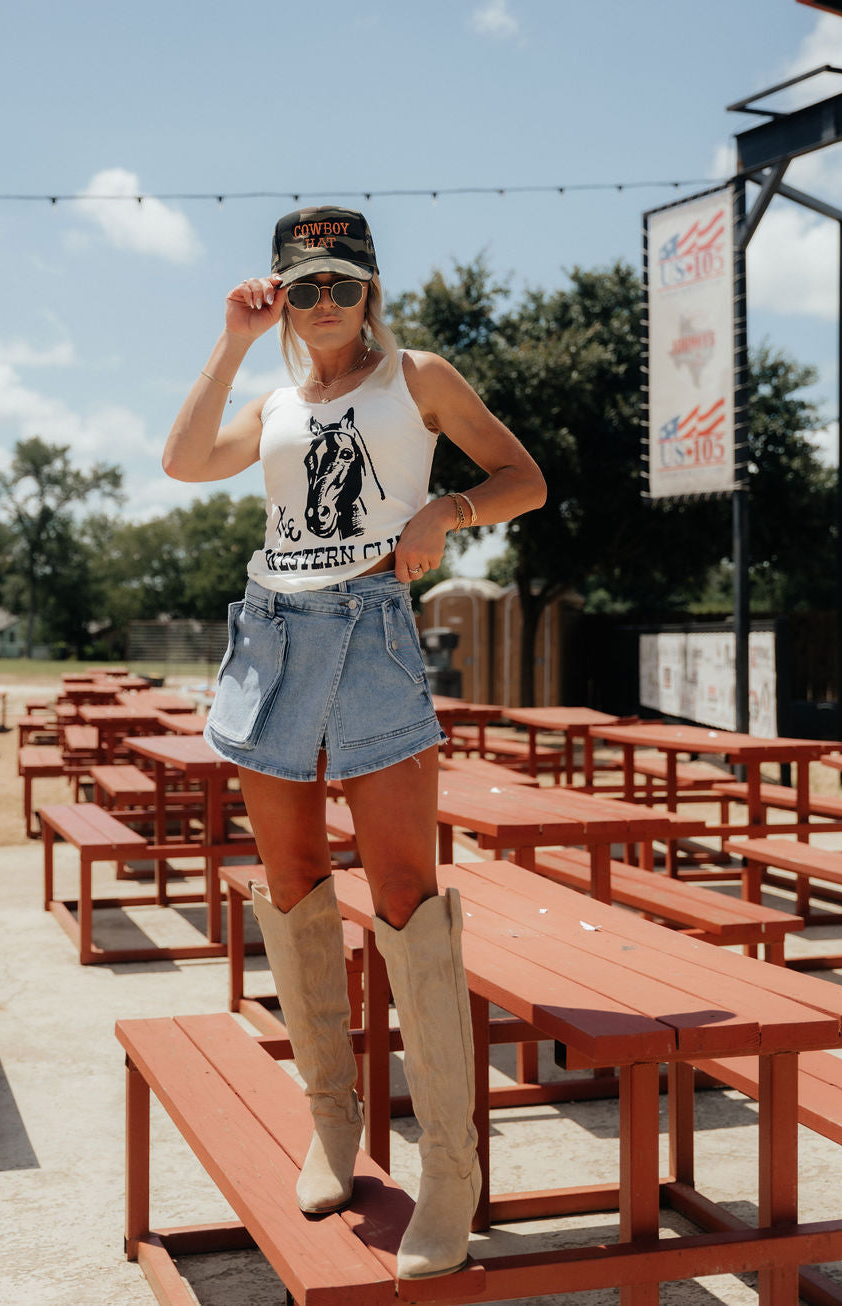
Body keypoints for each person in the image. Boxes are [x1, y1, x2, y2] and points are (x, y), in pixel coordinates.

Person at [162, 206, 545, 1279]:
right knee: (288, 879)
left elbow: (526, 478)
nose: (324, 304)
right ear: (279, 294)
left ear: (371, 292)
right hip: (272, 631)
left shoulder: (417, 376)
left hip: (371, 627)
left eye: (342, 284)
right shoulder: (274, 394)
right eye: (303, 287)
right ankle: (333, 1125)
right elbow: (185, 462)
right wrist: (233, 341)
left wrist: (448, 512)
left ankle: (453, 1172)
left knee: (404, 895)